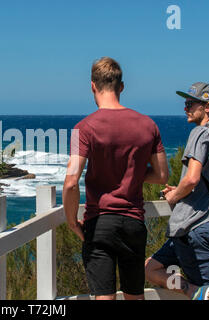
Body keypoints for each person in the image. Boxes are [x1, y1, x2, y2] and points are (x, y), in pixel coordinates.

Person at [63, 57, 168, 300]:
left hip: (100, 223)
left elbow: (70, 181)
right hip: (133, 222)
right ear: (122, 87)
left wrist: (71, 222)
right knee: (135, 295)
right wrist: (131, 173)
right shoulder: (148, 125)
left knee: (104, 297)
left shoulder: (85, 128)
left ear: (92, 86)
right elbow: (162, 175)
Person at [145, 82, 209, 300]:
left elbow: (192, 178)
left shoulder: (200, 133)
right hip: (201, 224)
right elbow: (208, 179)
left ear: (208, 107)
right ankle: (193, 292)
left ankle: (196, 291)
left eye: (191, 103)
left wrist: (174, 195)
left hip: (195, 226)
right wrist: (182, 190)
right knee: (150, 268)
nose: (186, 108)